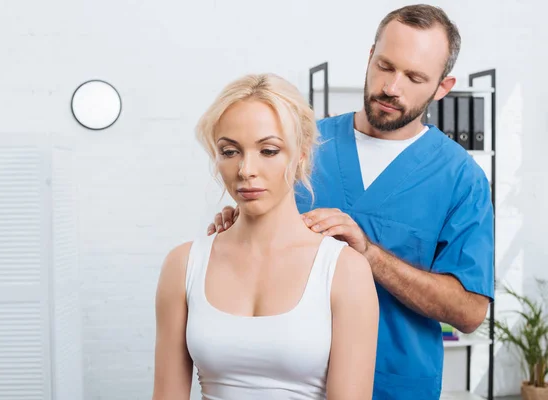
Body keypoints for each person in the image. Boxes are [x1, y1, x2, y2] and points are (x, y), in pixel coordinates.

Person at [208, 4, 494, 400]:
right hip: (294, 382)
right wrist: (236, 224)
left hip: (394, 383)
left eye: (414, 77)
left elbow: (469, 312)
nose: (392, 87)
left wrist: (370, 255)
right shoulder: (301, 145)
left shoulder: (462, 179)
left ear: (442, 88)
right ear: (369, 57)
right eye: (385, 65)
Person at [152, 73, 379, 400]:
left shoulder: (344, 271)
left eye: (268, 150)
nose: (246, 170)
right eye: (229, 151)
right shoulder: (183, 265)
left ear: (300, 155)